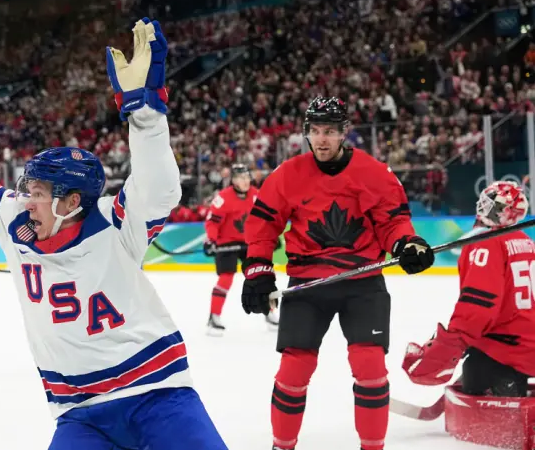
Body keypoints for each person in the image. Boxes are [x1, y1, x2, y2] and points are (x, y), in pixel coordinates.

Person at [0, 18, 227, 449]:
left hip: (157, 392)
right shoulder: (15, 221)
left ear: (71, 202)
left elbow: (158, 187)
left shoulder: (116, 227)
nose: (25, 199)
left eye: (37, 192)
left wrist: (146, 117)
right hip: (79, 412)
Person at [239, 96, 436, 450]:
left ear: (344, 133)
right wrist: (258, 270)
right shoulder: (287, 175)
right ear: (307, 134)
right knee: (293, 372)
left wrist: (407, 244)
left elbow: (393, 222)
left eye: (329, 131)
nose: (322, 140)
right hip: (307, 284)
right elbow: (264, 224)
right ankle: (281, 447)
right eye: (315, 131)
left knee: (371, 368)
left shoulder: (373, 173)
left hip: (362, 284)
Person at [402, 181, 535, 448]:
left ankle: (502, 388)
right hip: (527, 339)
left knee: (476, 369)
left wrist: (452, 342)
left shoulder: (485, 243)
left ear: (505, 213)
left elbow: (478, 306)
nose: (483, 209)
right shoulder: (525, 241)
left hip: (507, 350)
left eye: (492, 206)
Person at [204, 163, 278, 335]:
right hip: (226, 244)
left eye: (247, 177)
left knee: (261, 275)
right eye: (241, 178)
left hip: (248, 243)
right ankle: (213, 317)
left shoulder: (256, 195)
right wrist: (211, 240)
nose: (245, 181)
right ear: (234, 180)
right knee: (226, 278)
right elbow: (212, 222)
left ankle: (270, 312)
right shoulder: (223, 198)